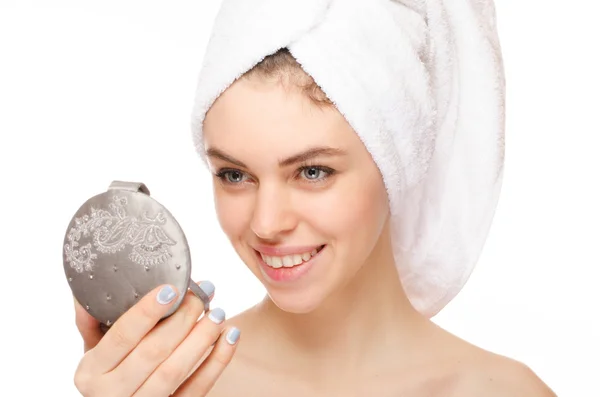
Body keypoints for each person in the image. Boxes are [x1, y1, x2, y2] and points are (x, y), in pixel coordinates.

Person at [71, 0, 557, 396]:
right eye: (235, 175)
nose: (266, 222)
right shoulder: (176, 385)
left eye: (312, 171)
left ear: (398, 163)